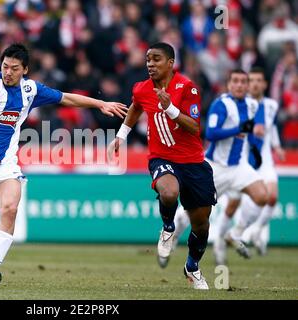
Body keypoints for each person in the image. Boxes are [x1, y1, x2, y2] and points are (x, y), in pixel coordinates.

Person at [0, 43, 127, 286]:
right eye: (5, 67)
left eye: (14, 68)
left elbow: (65, 98)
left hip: (4, 162)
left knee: (11, 208)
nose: (8, 72)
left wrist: (100, 104)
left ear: (25, 69)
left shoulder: (30, 89)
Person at [108, 42, 216, 290]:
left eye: (156, 59)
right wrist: (121, 136)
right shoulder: (142, 89)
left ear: (170, 63)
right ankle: (168, 228)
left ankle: (192, 266)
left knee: (201, 224)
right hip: (162, 157)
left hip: (193, 162)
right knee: (168, 192)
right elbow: (136, 106)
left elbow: (194, 127)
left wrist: (170, 108)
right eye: (147, 59)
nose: (150, 64)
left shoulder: (187, 88)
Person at [204, 69, 268, 266]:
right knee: (194, 211)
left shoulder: (252, 105)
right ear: (229, 84)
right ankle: (172, 233)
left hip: (238, 166)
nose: (240, 85)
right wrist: (238, 129)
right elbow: (210, 133)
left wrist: (256, 149)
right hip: (216, 166)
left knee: (261, 196)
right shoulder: (220, 104)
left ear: (247, 86)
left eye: (243, 82)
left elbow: (254, 131)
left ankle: (234, 234)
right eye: (236, 81)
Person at [224, 67, 285, 256]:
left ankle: (253, 230)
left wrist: (277, 146)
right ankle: (228, 234)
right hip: (245, 159)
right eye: (252, 80)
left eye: (259, 80)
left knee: (272, 197)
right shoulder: (243, 105)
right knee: (237, 201)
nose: (255, 83)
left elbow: (272, 127)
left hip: (264, 158)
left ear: (265, 84)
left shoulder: (271, 105)